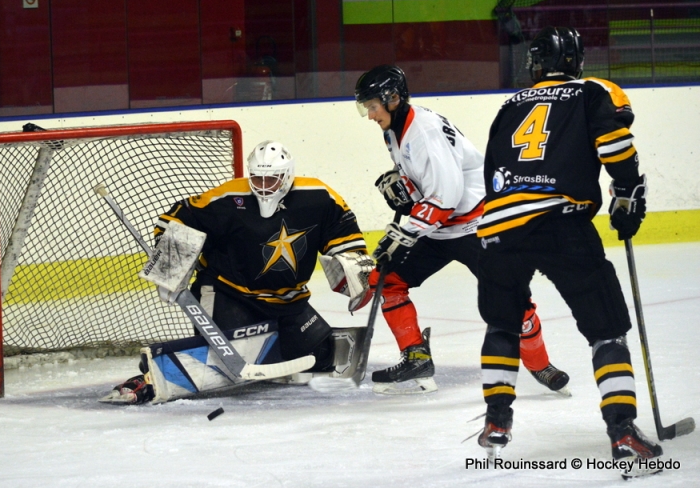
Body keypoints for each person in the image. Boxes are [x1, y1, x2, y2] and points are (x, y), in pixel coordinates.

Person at [474, 26, 661, 468]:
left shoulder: (508, 106)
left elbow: (492, 175)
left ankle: (497, 420)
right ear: (577, 61)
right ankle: (622, 431)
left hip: (498, 229)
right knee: (606, 332)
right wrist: (628, 191)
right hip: (562, 224)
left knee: (502, 327)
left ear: (536, 64)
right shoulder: (591, 92)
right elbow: (616, 145)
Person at [354, 64, 569, 395]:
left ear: (393, 98)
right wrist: (406, 192)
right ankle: (416, 356)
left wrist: (407, 230)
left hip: (475, 228)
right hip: (439, 231)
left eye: (372, 106)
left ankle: (541, 366)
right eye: (365, 107)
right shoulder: (394, 130)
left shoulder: (423, 132)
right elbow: (428, 187)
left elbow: (447, 197)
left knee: (512, 300)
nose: (369, 114)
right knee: (391, 280)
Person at [103, 140, 373, 404]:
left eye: (272, 180)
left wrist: (354, 270)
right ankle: (147, 381)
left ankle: (272, 346)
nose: (264, 187)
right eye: (258, 179)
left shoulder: (318, 196)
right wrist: (171, 266)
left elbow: (344, 234)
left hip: (288, 301)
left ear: (288, 176)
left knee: (324, 355)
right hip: (228, 294)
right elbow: (176, 218)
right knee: (224, 363)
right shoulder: (228, 198)